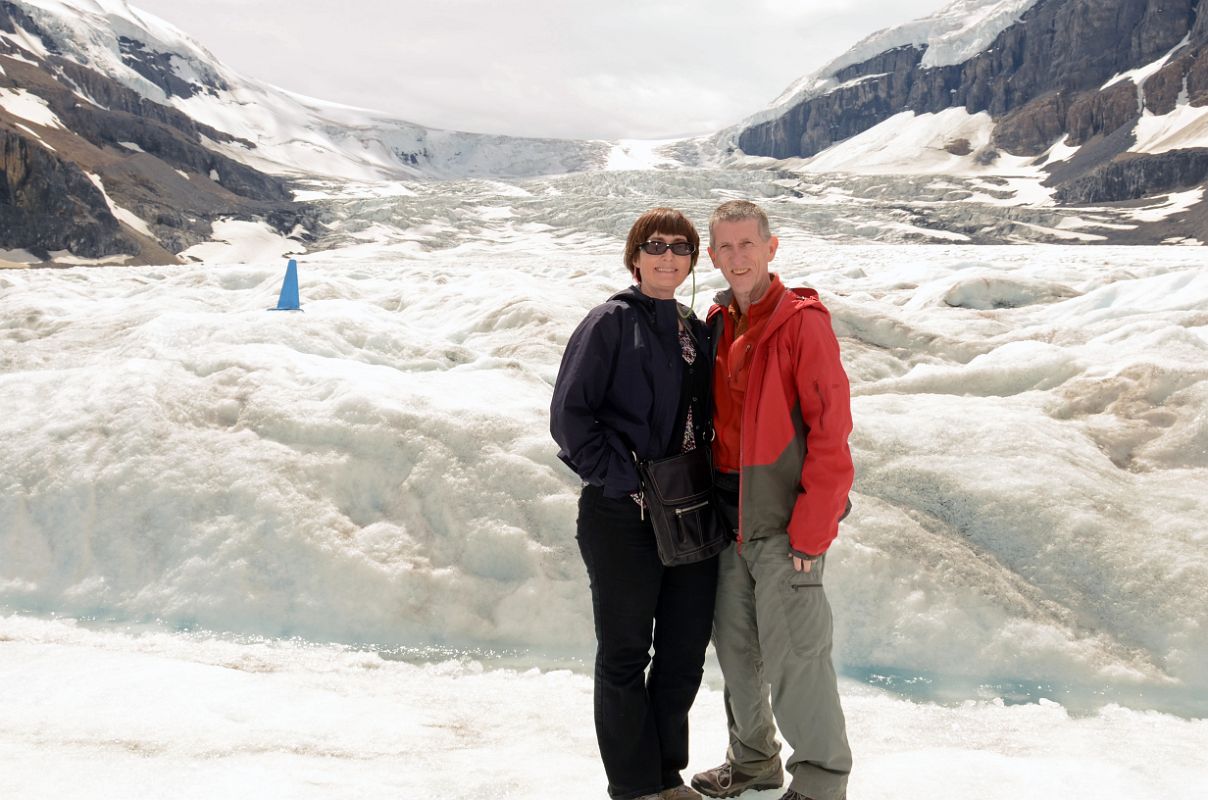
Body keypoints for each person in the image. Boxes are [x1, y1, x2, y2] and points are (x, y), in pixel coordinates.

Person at [550, 207, 719, 800]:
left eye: (681, 246)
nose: (667, 255)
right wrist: (627, 482)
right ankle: (634, 785)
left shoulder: (696, 327)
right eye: (655, 245)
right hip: (624, 516)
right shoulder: (610, 322)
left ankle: (666, 773)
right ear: (635, 256)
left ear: (693, 259)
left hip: (691, 511)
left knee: (683, 651)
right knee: (625, 654)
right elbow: (571, 418)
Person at [690, 200, 854, 800]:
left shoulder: (802, 323)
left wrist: (813, 532)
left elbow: (831, 434)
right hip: (729, 519)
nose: (737, 257)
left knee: (797, 661)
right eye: (725, 248)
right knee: (737, 654)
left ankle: (820, 784)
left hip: (784, 525)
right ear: (712, 256)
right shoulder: (716, 321)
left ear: (771, 247)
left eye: (747, 244)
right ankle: (755, 764)